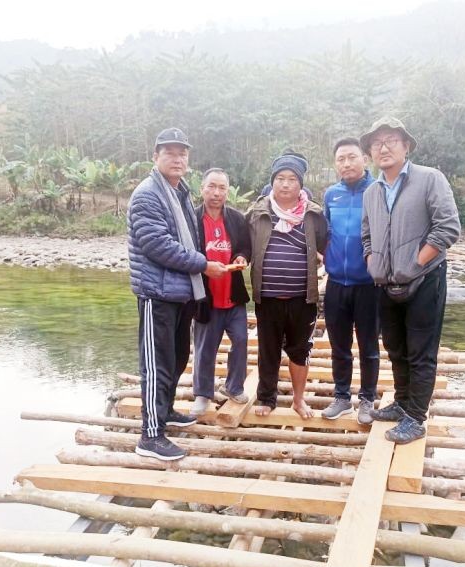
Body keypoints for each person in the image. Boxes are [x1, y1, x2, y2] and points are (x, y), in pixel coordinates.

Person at [127, 127, 228, 460]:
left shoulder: (178, 191)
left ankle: (166, 411)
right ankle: (151, 435)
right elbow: (158, 245)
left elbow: (189, 237)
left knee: (175, 358)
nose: (177, 158)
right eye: (169, 152)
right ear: (155, 157)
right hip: (157, 292)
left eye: (182, 153)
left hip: (179, 292)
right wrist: (203, 264)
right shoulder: (147, 194)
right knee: (156, 364)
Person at [360, 117, 461, 444]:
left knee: (421, 351)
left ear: (406, 146)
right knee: (395, 346)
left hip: (424, 280)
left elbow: (447, 228)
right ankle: (402, 402)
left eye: (391, 140)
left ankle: (416, 417)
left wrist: (414, 262)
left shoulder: (429, 179)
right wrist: (373, 262)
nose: (383, 147)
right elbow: (366, 236)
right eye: (377, 143)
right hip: (385, 284)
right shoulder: (372, 192)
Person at [246, 153, 328, 418]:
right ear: (272, 183)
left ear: (300, 184)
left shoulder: (314, 215)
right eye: (280, 178)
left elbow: (326, 246)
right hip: (267, 296)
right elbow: (243, 244)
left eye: (292, 179)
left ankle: (298, 399)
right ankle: (267, 398)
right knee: (267, 349)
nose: (285, 184)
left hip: (302, 297)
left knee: (300, 349)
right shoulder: (257, 212)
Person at [320, 137, 380, 424]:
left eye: (352, 157)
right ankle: (342, 396)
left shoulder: (378, 190)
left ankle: (368, 399)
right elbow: (326, 232)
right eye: (341, 158)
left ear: (364, 159)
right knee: (339, 344)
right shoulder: (331, 195)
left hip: (369, 284)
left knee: (368, 346)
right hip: (336, 284)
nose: (346, 163)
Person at [191, 168, 252, 416]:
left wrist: (241, 257)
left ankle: (234, 386)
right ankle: (202, 393)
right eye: (211, 187)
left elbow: (245, 248)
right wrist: (203, 266)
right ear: (202, 189)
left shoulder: (237, 219)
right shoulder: (191, 219)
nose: (216, 193)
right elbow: (184, 253)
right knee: (205, 348)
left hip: (233, 296)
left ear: (228, 191)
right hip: (206, 298)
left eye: (222, 188)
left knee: (241, 341)